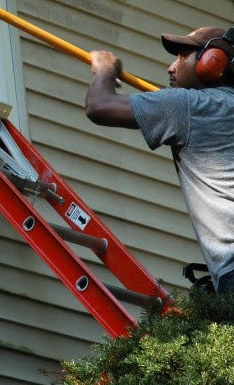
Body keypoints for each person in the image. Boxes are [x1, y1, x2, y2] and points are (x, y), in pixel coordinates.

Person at [84, 26, 234, 294]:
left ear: (213, 61)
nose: (171, 67)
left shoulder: (189, 106)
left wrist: (105, 67)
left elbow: (99, 106)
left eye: (181, 56)